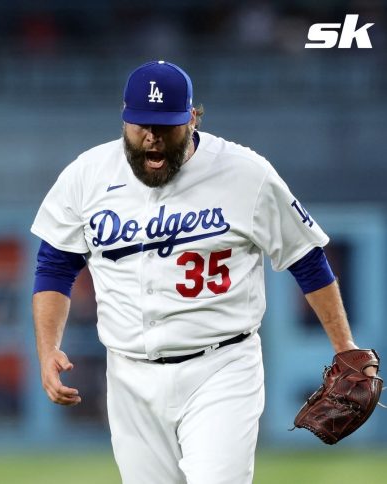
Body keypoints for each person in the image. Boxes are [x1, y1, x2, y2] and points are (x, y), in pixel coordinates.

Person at [30, 60, 376, 483]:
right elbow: (55, 265)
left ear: (193, 117)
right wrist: (48, 350)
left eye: (166, 125)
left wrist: (346, 348)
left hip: (222, 369)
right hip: (128, 377)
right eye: (141, 125)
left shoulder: (245, 173)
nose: (152, 137)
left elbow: (307, 259)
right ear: (123, 118)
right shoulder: (87, 175)